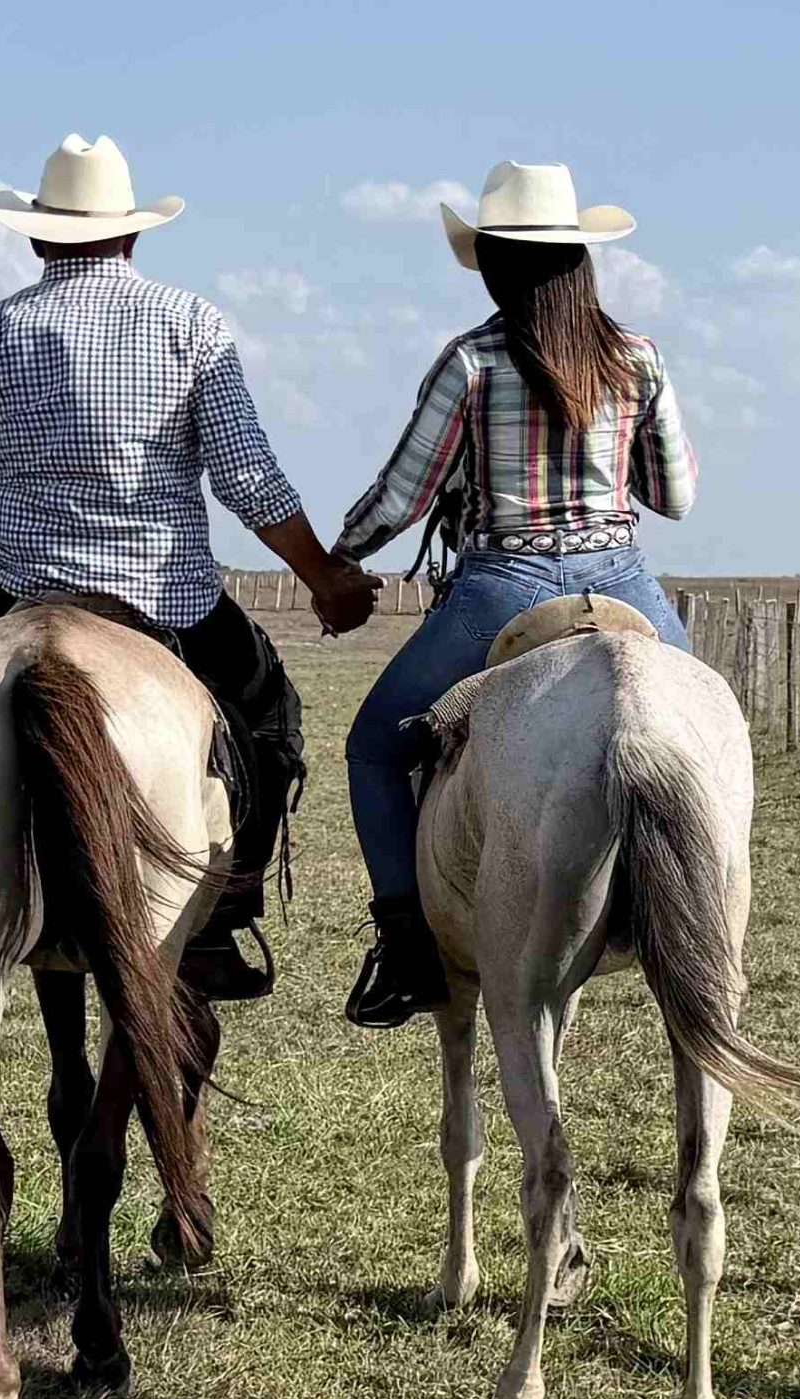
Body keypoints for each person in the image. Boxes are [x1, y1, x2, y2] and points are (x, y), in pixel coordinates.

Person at [0, 133, 380, 1000]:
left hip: (23, 590)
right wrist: (324, 577)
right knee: (268, 718)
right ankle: (220, 918)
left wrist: (33, 500)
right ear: (132, 233)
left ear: (37, 236)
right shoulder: (189, 323)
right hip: (164, 600)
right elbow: (246, 477)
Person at [334, 161, 700, 1027]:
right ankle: (705, 919)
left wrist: (341, 555)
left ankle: (404, 947)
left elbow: (401, 497)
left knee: (375, 748)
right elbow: (675, 497)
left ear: (493, 266)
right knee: (708, 734)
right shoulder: (638, 359)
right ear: (580, 260)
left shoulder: (470, 361)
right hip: (623, 576)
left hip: (505, 584)